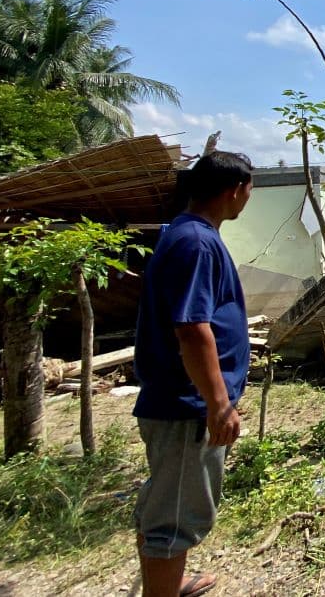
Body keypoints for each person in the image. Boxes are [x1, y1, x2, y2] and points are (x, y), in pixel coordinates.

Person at [133, 151, 253, 597]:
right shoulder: (198, 243)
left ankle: (168, 581)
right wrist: (218, 404)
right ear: (235, 190)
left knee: (171, 502)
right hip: (187, 405)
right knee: (173, 515)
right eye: (249, 190)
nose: (248, 199)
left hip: (183, 399)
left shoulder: (185, 234)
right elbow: (191, 328)